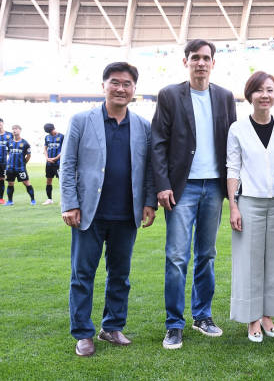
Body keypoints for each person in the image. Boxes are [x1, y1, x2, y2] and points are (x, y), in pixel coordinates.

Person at [60, 62, 157, 357]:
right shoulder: (81, 120)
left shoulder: (143, 126)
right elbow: (68, 164)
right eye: (115, 82)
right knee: (82, 275)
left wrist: (149, 202)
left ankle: (112, 327)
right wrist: (70, 203)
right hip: (89, 214)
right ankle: (83, 333)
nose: (120, 88)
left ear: (134, 90)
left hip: (126, 214)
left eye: (127, 84)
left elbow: (150, 169)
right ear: (103, 86)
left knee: (120, 275)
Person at [151, 39, 237, 349]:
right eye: (195, 58)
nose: (200, 63)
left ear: (214, 63)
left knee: (207, 255)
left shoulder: (225, 97)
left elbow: (233, 141)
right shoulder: (170, 95)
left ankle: (203, 316)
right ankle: (174, 324)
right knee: (176, 257)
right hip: (181, 188)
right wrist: (162, 184)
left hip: (214, 186)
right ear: (185, 61)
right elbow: (158, 142)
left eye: (206, 58)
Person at [227, 71, 274, 342]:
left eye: (270, 90)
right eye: (259, 90)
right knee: (249, 262)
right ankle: (252, 318)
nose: (265, 95)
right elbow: (232, 167)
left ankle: (268, 315)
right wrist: (233, 205)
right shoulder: (237, 129)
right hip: (249, 202)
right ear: (250, 95)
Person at [5, 125, 36, 206]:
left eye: (16, 129)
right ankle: (10, 201)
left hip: (20, 168)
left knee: (26, 182)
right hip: (10, 167)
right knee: (10, 183)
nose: (14, 130)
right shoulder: (9, 142)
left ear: (20, 130)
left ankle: (33, 200)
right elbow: (8, 153)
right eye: (13, 129)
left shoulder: (25, 143)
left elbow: (28, 155)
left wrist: (23, 163)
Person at [43, 123, 64, 205]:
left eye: (52, 131)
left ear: (54, 128)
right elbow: (45, 148)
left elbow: (64, 150)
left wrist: (55, 158)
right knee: (48, 181)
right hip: (49, 163)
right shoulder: (47, 137)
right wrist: (47, 158)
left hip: (59, 163)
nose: (51, 133)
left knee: (61, 181)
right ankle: (49, 199)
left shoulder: (62, 136)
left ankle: (63, 200)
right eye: (49, 132)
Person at [0, 118, 11, 204]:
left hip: (4, 162)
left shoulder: (9, 135)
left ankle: (1, 198)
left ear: (3, 123)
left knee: (1, 179)